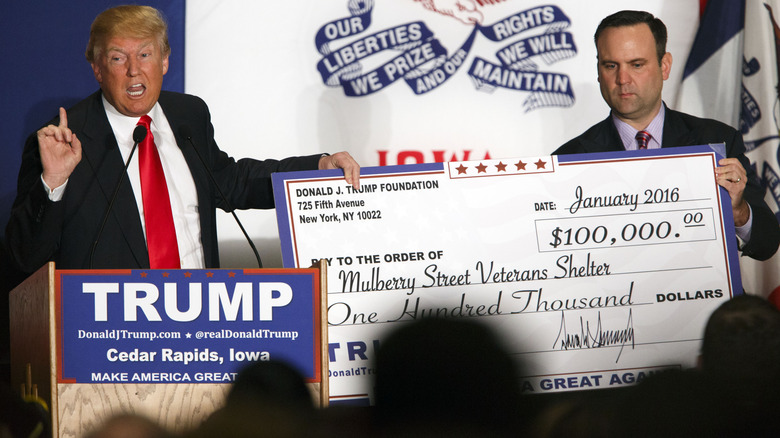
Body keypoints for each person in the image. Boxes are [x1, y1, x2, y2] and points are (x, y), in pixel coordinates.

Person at [4, 5, 360, 273]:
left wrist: (317, 168)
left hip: (199, 324)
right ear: (97, 68)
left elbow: (230, 183)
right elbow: (24, 259)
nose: (134, 69)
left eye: (145, 54)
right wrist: (53, 183)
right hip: (110, 335)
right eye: (117, 58)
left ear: (164, 62)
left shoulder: (188, 115)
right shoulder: (64, 140)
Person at [555, 10, 779, 261]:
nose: (622, 79)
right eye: (610, 65)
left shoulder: (717, 140)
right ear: (599, 71)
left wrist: (738, 211)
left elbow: (767, 244)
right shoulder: (568, 159)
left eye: (636, 65)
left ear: (664, 66)